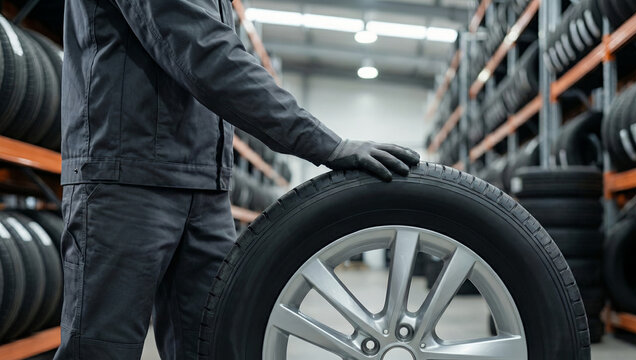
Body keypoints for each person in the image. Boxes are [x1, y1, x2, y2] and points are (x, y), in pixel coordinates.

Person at [55, 0, 420, 359]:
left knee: (216, 343)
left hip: (204, 187)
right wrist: (326, 144)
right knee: (100, 349)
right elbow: (204, 54)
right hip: (125, 178)